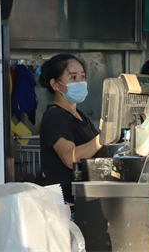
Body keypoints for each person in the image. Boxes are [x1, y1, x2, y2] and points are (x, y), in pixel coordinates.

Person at [39, 54, 102, 204]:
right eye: (73, 78)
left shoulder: (79, 115)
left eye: (82, 77)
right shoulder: (55, 117)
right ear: (55, 84)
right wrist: (103, 138)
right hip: (69, 205)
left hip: (88, 200)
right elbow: (69, 158)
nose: (80, 82)